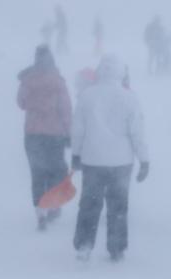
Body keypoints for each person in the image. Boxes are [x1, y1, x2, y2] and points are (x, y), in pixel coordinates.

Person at [71, 55, 149, 262]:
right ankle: (116, 247)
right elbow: (137, 133)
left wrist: (76, 154)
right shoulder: (129, 98)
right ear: (121, 73)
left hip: (92, 159)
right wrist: (144, 160)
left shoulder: (87, 96)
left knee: (89, 203)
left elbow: (78, 129)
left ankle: (84, 245)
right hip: (121, 161)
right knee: (118, 206)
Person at [17, 45, 73, 231]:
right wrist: (68, 132)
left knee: (37, 173)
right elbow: (65, 110)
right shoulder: (58, 80)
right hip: (54, 134)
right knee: (55, 171)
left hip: (32, 134)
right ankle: (53, 206)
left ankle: (40, 213)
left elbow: (21, 103)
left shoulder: (28, 78)